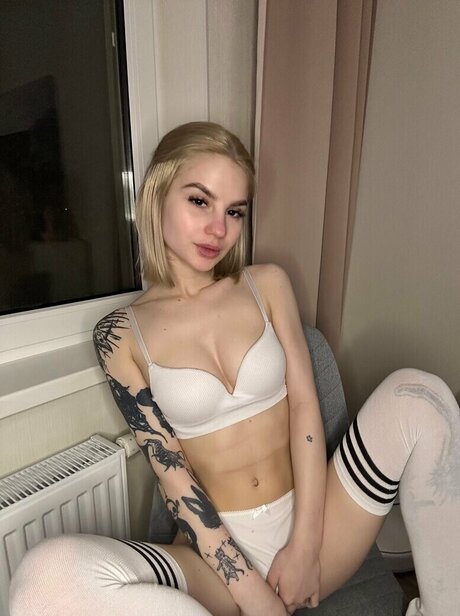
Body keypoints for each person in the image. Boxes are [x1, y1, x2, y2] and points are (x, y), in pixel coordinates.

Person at [9, 122, 460, 616]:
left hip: (316, 531)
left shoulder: (267, 284)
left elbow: (304, 407)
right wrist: (253, 596)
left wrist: (305, 545)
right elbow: (172, 475)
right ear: (157, 194)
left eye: (234, 211)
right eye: (199, 201)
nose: (218, 229)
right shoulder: (119, 334)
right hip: (216, 566)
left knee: (419, 396)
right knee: (46, 577)